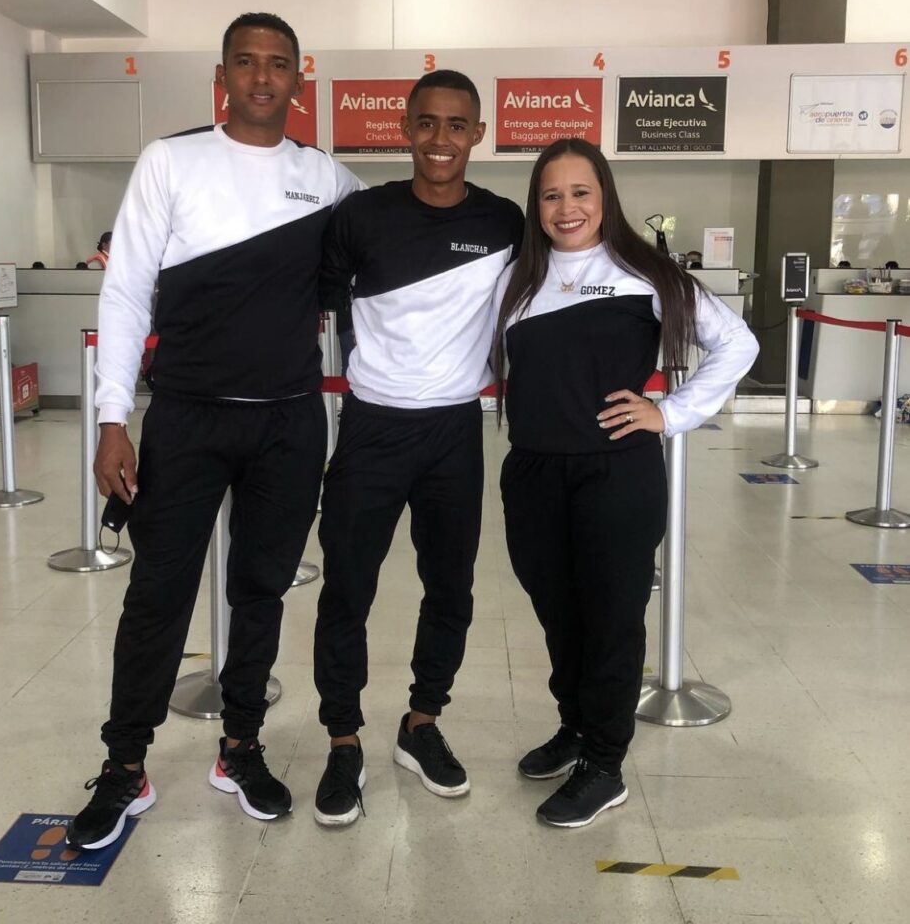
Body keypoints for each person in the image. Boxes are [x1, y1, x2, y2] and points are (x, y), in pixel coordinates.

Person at [65, 12, 362, 851]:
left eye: (279, 64)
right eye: (246, 61)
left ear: (299, 78)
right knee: (156, 595)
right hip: (186, 418)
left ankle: (240, 747)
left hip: (287, 421)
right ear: (222, 74)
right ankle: (126, 765)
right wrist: (113, 419)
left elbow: (385, 260)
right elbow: (126, 291)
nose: (263, 77)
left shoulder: (327, 179)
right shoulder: (170, 160)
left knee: (260, 591)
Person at [492, 138, 757, 829]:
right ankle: (576, 726)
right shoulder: (519, 279)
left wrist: (669, 413)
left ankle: (605, 764)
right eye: (551, 194)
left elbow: (738, 343)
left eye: (580, 192)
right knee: (558, 613)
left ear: (604, 196)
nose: (567, 207)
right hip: (533, 473)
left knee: (610, 619)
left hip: (615, 473)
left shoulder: (646, 273)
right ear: (536, 205)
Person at [313, 70, 524, 827]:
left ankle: (421, 723)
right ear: (405, 129)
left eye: (456, 125)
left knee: (450, 588)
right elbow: (314, 303)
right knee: (347, 589)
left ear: (478, 134)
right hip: (370, 427)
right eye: (427, 123)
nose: (441, 139)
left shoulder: (504, 222)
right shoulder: (361, 215)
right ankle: (343, 739)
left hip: (453, 432)